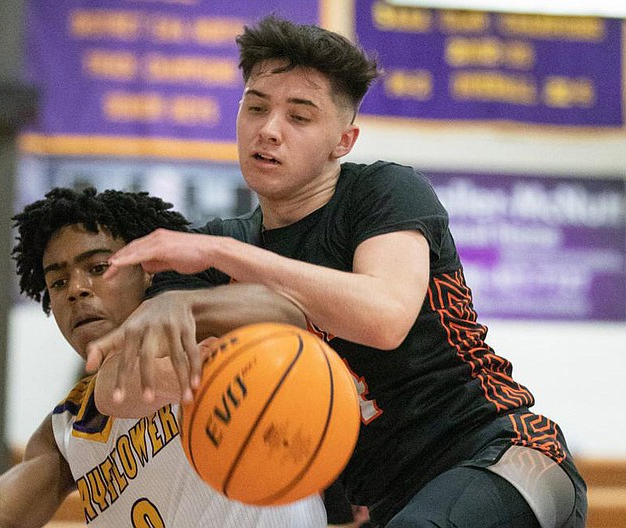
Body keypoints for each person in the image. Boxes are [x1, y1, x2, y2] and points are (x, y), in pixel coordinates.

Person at [86, 16, 588, 528]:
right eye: (255, 107)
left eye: (299, 117)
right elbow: (114, 393)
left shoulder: (382, 191)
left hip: (503, 454)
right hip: (388, 503)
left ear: (343, 141)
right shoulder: (216, 247)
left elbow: (383, 317)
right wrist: (227, 360)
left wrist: (223, 256)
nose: (269, 129)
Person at [0, 187, 328, 527]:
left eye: (97, 267)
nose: (77, 291)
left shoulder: (205, 331)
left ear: (148, 272)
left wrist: (184, 305)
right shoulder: (66, 428)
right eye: (58, 282)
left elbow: (291, 314)